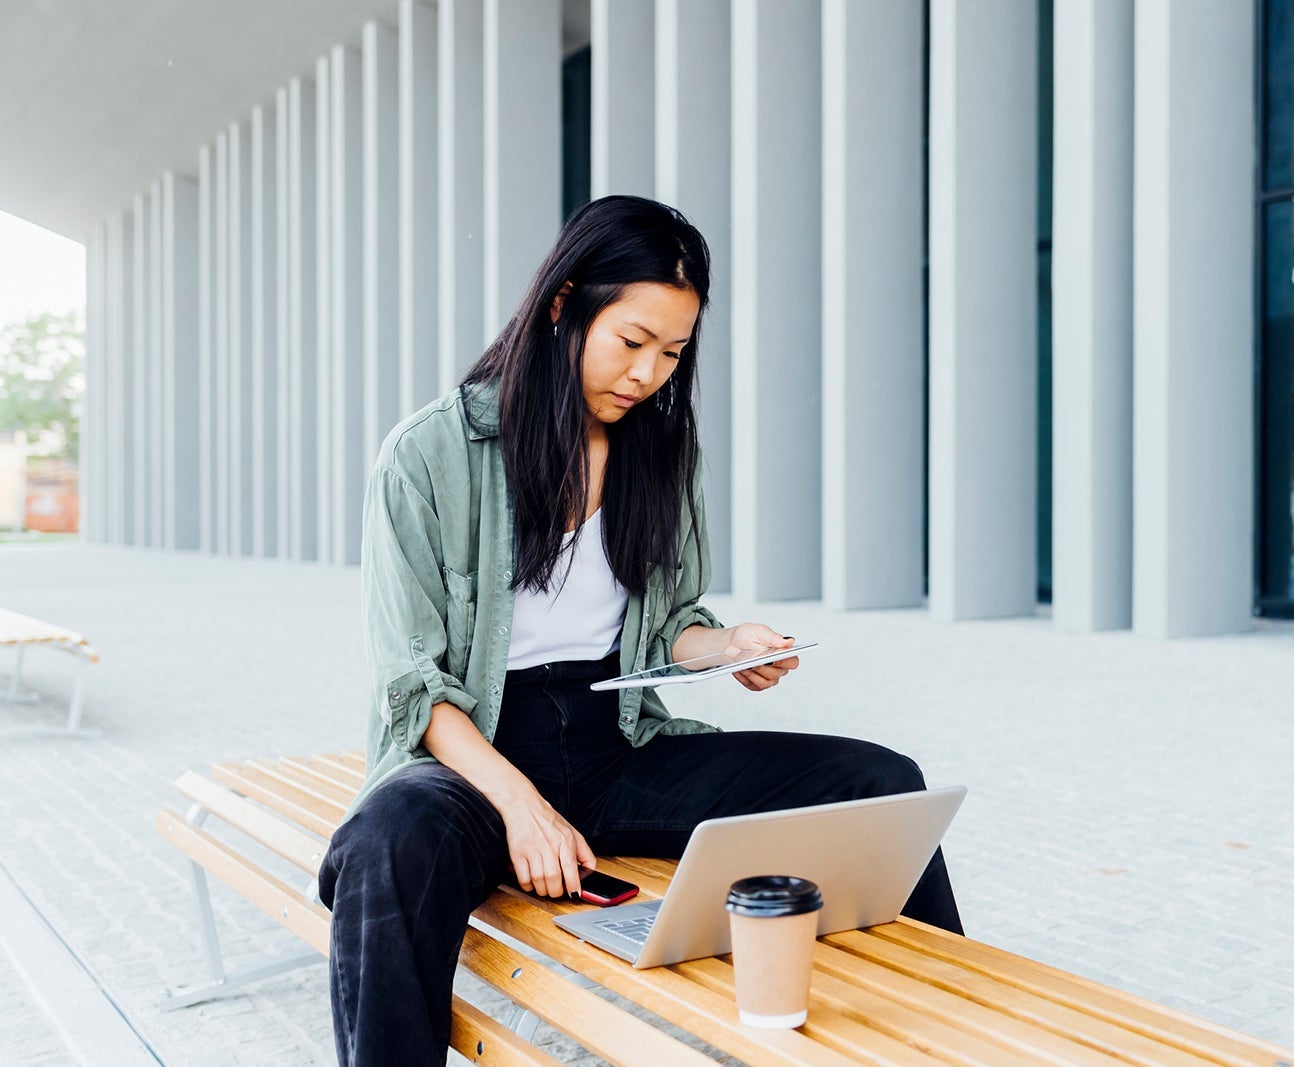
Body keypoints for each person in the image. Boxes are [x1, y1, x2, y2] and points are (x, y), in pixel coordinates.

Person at [316, 195, 961, 1066]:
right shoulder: (431, 453)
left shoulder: (660, 452)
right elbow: (410, 683)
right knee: (387, 841)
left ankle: (944, 1039)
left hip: (616, 745)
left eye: (674, 352)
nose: (649, 373)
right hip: (473, 763)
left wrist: (727, 649)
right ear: (562, 306)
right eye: (631, 342)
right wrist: (523, 807)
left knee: (883, 784)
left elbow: (673, 625)